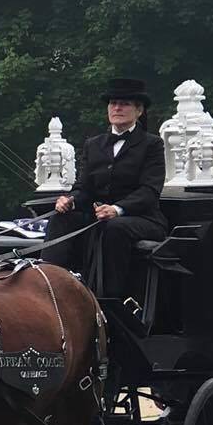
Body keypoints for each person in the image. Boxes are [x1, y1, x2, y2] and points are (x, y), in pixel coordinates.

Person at [40, 77, 168, 300]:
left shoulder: (152, 144)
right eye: (113, 103)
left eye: (124, 104)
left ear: (139, 111)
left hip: (142, 219)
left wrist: (117, 209)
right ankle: (49, 286)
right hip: (99, 216)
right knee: (61, 219)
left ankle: (109, 299)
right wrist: (70, 200)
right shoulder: (94, 144)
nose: (117, 108)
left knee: (114, 228)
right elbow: (84, 188)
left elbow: (149, 191)